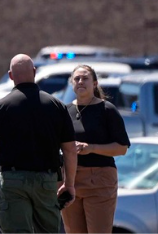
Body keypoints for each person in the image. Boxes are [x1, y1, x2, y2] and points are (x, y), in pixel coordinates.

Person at [0, 54, 77, 234]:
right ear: (34, 72)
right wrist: (69, 185)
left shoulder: (0, 107)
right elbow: (70, 150)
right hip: (47, 180)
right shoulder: (57, 106)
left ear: (11, 75)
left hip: (14, 181)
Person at [61, 64, 129, 234]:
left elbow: (122, 148)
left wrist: (91, 148)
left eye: (85, 78)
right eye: (76, 78)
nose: (80, 81)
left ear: (95, 83)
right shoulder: (65, 111)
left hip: (99, 179)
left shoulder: (107, 110)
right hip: (70, 179)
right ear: (72, 83)